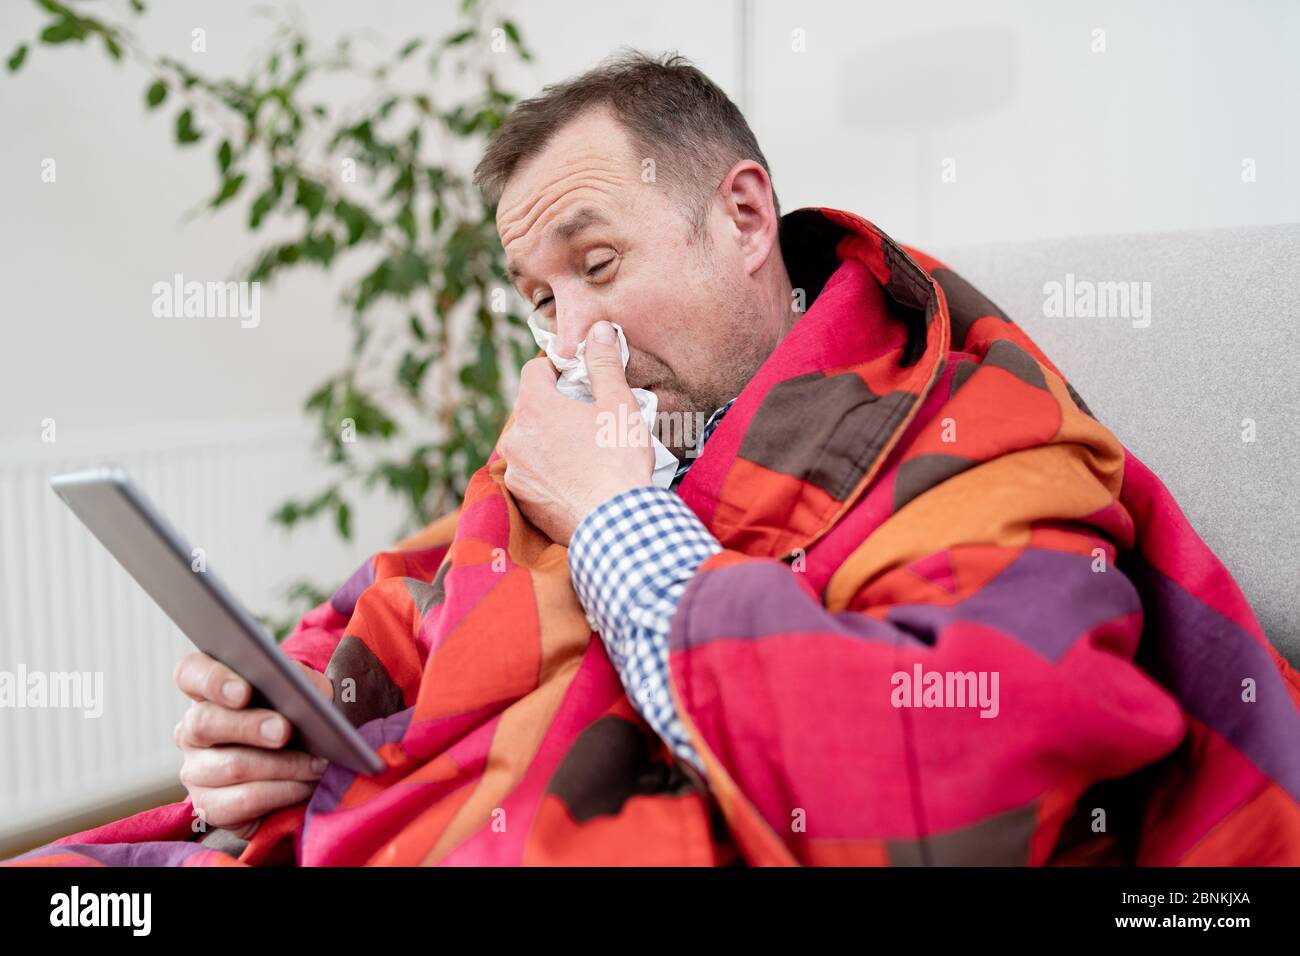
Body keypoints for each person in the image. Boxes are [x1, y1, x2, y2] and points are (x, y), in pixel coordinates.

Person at [143, 51, 1300, 864]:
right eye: (539, 296)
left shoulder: (970, 429)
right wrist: (278, 729)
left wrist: (613, 523)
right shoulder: (589, 425)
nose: (570, 334)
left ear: (745, 220)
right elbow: (404, 602)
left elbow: (949, 776)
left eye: (597, 265)